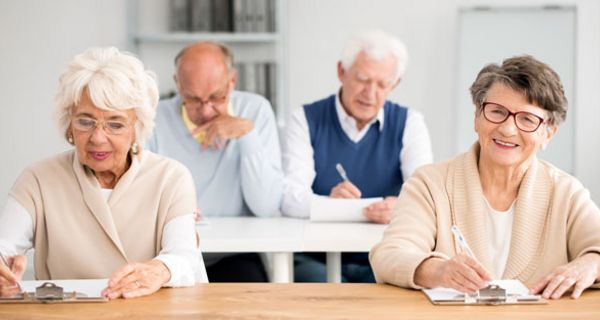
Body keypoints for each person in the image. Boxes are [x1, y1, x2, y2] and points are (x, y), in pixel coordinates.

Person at [370, 55, 600, 299]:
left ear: (548, 134)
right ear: (477, 117)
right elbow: (389, 255)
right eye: (497, 111)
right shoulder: (430, 183)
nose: (507, 129)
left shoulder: (566, 191)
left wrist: (590, 264)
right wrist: (439, 271)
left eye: (527, 119)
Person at [0, 47, 207, 299]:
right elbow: (4, 245)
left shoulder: (170, 178)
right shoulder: (38, 179)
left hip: (148, 312)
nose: (98, 138)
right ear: (69, 124)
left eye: (115, 124)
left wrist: (159, 269)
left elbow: (183, 255)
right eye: (85, 122)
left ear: (137, 128)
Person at [281, 30, 433, 283]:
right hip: (316, 257)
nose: (370, 93)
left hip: (385, 254)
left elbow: (427, 197)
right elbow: (289, 198)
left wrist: (401, 208)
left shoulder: (410, 123)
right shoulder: (304, 120)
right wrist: (330, 202)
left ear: (394, 84)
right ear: (342, 72)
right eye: (363, 79)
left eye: (383, 84)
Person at [148, 42, 283, 282]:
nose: (207, 110)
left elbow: (266, 207)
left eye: (216, 97)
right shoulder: (153, 118)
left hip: (235, 255)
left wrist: (247, 135)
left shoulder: (256, 110)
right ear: (177, 84)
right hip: (169, 254)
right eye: (193, 99)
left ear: (232, 81)